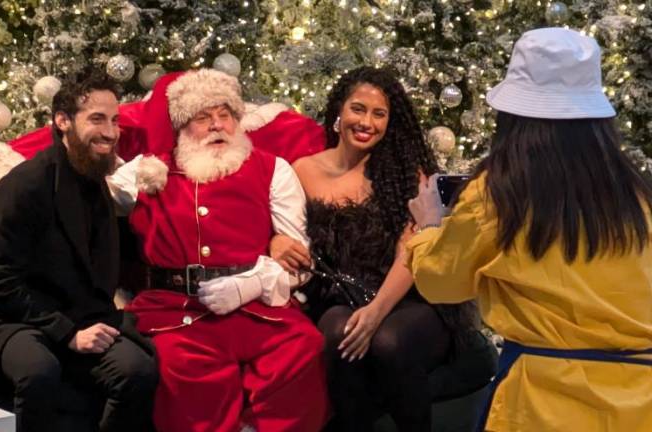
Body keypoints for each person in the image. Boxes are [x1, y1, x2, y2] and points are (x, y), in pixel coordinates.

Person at [407, 28, 652, 432]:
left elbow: (441, 283)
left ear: (514, 114)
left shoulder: (499, 193)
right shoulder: (634, 192)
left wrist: (429, 225)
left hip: (543, 404)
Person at [107, 69, 330, 432]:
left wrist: (249, 285)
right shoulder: (151, 171)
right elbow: (91, 195)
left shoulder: (273, 169)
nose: (217, 125)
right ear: (181, 127)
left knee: (302, 348)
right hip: (178, 310)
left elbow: (299, 261)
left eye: (224, 114)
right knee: (186, 371)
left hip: (258, 309)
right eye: (202, 117)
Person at [271, 66, 480, 431]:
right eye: (358, 109)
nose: (366, 122)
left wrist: (375, 312)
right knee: (338, 331)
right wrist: (277, 241)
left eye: (379, 114)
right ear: (339, 111)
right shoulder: (301, 170)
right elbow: (282, 227)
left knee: (387, 340)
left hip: (409, 296)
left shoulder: (403, 172)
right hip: (339, 293)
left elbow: (411, 252)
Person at [0, 72, 158, 432]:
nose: (111, 132)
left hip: (84, 315)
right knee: (39, 372)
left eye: (114, 120)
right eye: (97, 119)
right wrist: (67, 333)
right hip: (15, 319)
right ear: (62, 121)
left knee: (137, 370)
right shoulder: (23, 185)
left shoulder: (97, 178)